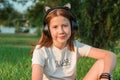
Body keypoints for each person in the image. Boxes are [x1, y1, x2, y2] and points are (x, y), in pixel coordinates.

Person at [31, 3, 116, 80]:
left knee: (102, 64)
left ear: (72, 27)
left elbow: (110, 55)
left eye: (65, 26)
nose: (61, 31)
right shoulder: (41, 50)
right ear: (47, 30)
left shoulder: (75, 46)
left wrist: (105, 75)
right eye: (55, 27)